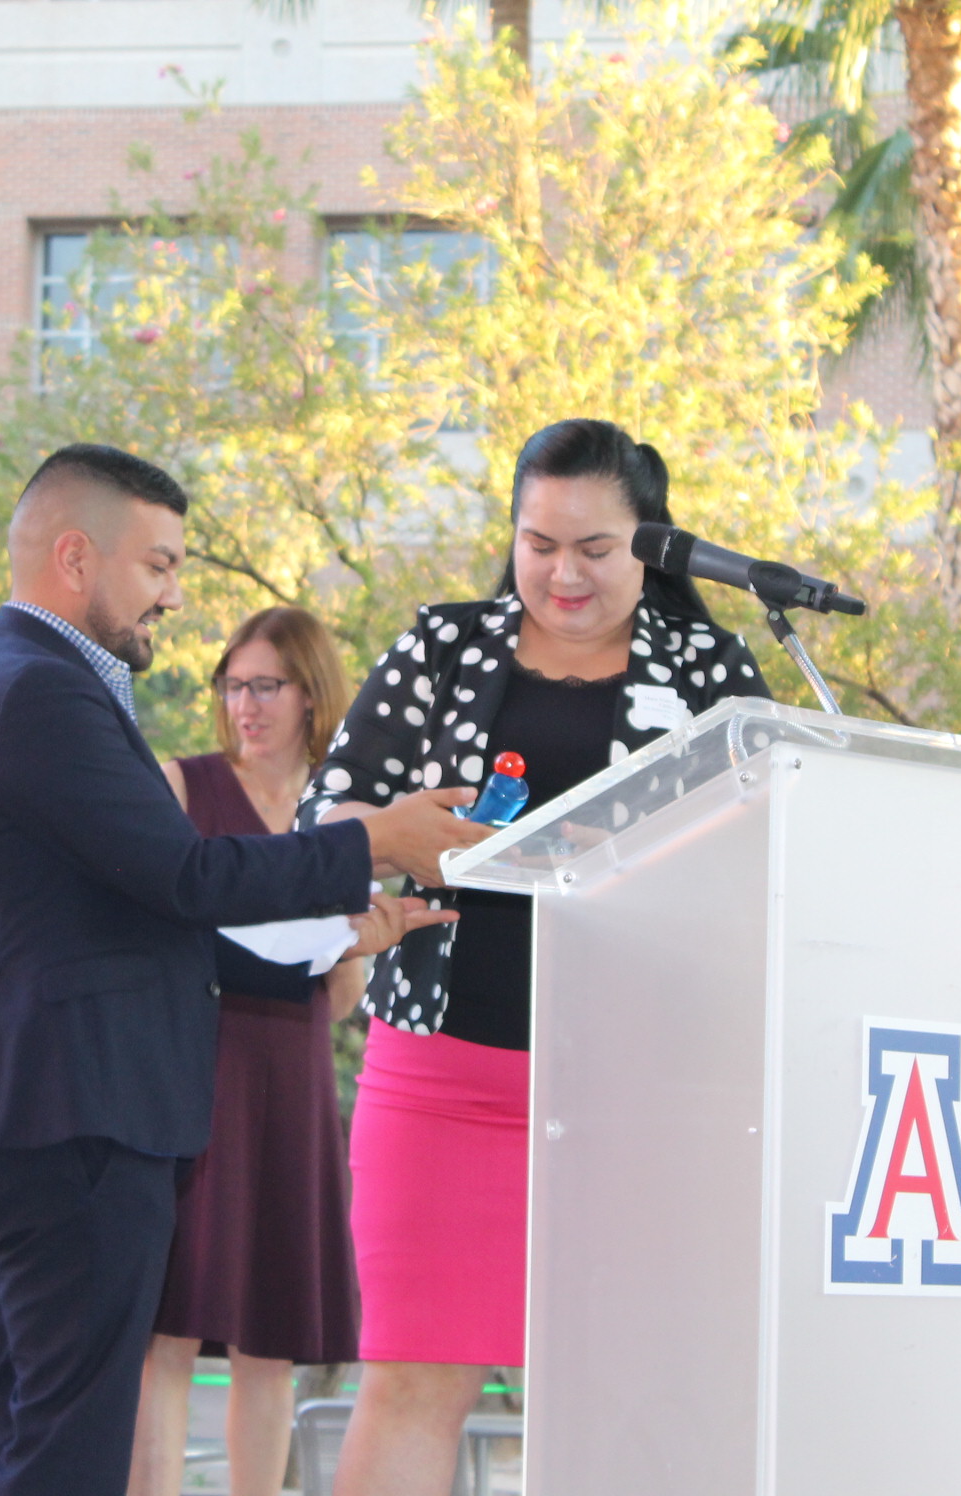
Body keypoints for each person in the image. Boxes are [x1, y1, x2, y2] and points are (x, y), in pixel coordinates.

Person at [0, 443, 494, 1496]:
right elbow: (182, 875)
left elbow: (136, 913)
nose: (175, 596)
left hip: (54, 1110)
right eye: (160, 566)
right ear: (77, 556)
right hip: (70, 1113)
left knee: (20, 1425)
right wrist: (377, 839)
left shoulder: (36, 685)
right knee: (63, 1442)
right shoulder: (39, 693)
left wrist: (346, 931)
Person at [298, 419, 776, 1494]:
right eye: (538, 542)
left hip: (642, 1093)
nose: (562, 572)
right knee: (414, 1381)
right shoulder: (442, 646)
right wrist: (390, 838)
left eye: (595, 549)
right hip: (442, 1081)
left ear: (650, 545)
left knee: (634, 1391)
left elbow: (768, 847)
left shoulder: (711, 670)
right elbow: (325, 806)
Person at [126, 606, 367, 1496]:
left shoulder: (340, 813)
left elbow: (338, 1002)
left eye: (266, 685)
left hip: (295, 1075)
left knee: (272, 1329)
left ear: (311, 693)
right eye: (233, 685)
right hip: (199, 1063)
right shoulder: (181, 787)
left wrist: (359, 943)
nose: (245, 705)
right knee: (172, 1322)